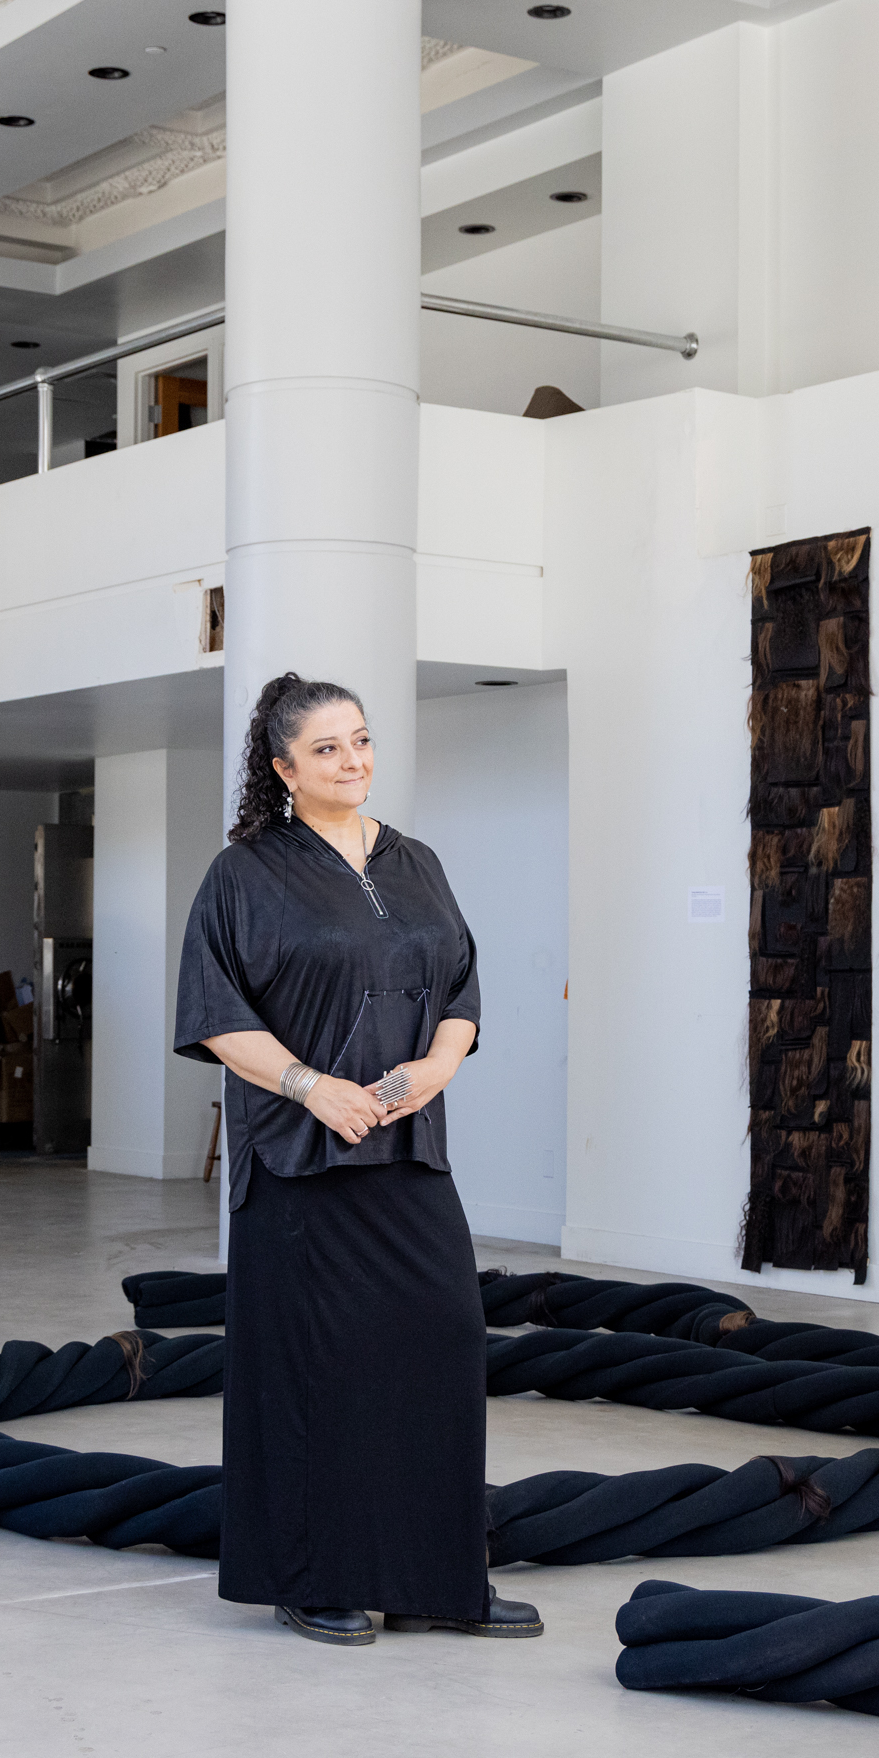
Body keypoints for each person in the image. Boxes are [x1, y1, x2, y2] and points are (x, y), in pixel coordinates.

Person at [173, 672, 542, 1647]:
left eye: (362, 741)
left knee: (441, 1346)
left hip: (408, 1150)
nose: (355, 762)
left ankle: (436, 1579)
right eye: (329, 749)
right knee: (312, 1369)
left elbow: (461, 984)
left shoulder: (416, 861)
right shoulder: (244, 875)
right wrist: (306, 1085)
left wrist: (437, 1065)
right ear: (286, 768)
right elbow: (216, 1017)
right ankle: (312, 1574)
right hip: (296, 1161)